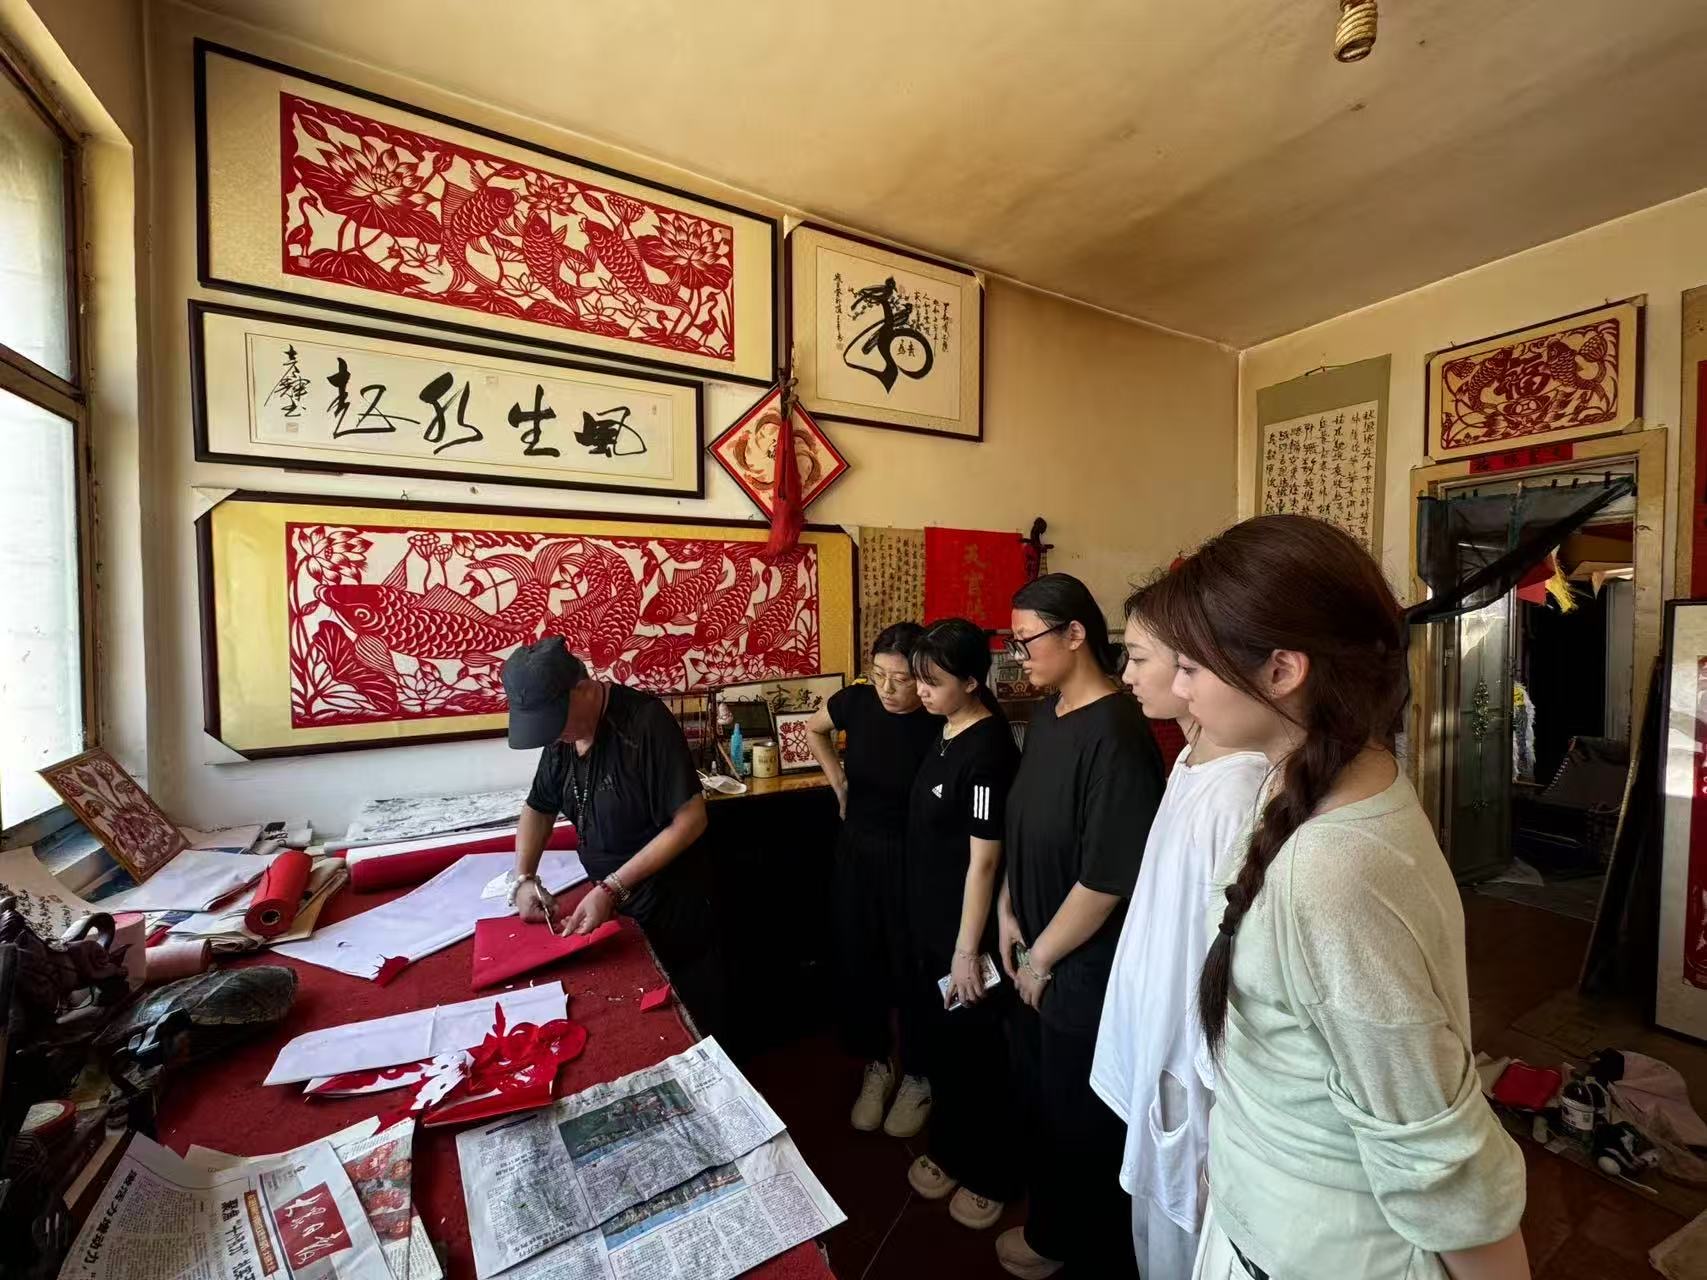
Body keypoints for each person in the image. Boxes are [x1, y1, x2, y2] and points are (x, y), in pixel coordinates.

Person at [1133, 515, 1529, 1280]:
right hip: (1268, 1226)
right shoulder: (1310, 785)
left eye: (1189, 667)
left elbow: (1435, 1152)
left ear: (1281, 670)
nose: (1177, 689)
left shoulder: (1331, 873)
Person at [1090, 581, 1269, 1280]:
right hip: (1159, 1032)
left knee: (1181, 1236)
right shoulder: (1194, 756)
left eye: (1140, 658)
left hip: (1188, 1057)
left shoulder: (1239, 790)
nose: (1128, 675)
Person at [995, 574, 1164, 1280]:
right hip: (1034, 949)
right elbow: (1023, 822)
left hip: (1082, 966)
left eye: (1025, 641)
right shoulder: (1050, 715)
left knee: (1081, 1119)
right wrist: (1008, 910)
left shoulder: (1117, 733)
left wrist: (1041, 959)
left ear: (1074, 634)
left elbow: (1105, 878)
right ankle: (1051, 1228)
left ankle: (1075, 1246)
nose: (1017, 656)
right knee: (1042, 1103)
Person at [504, 636, 730, 1042]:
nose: (554, 736)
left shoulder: (644, 723)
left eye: (556, 723)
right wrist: (524, 878)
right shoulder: (563, 739)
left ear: (582, 688)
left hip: (670, 908)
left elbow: (690, 821)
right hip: (615, 912)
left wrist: (612, 887)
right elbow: (538, 806)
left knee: (687, 1025)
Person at [898, 618, 1022, 1232]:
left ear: (972, 681)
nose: (921, 690)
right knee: (945, 1047)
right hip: (931, 925)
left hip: (966, 937)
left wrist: (966, 950)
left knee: (979, 1056)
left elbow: (985, 862)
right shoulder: (946, 729)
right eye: (918, 679)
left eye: (933, 681)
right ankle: (950, 1149)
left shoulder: (988, 749)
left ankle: (991, 1173)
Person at [804, 622, 943, 1135]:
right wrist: (837, 782)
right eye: (878, 674)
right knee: (859, 956)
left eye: (900, 679)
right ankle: (877, 1063)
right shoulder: (859, 702)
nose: (887, 688)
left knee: (914, 965)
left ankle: (920, 1075)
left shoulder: (938, 714)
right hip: (858, 850)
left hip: (914, 857)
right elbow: (814, 728)